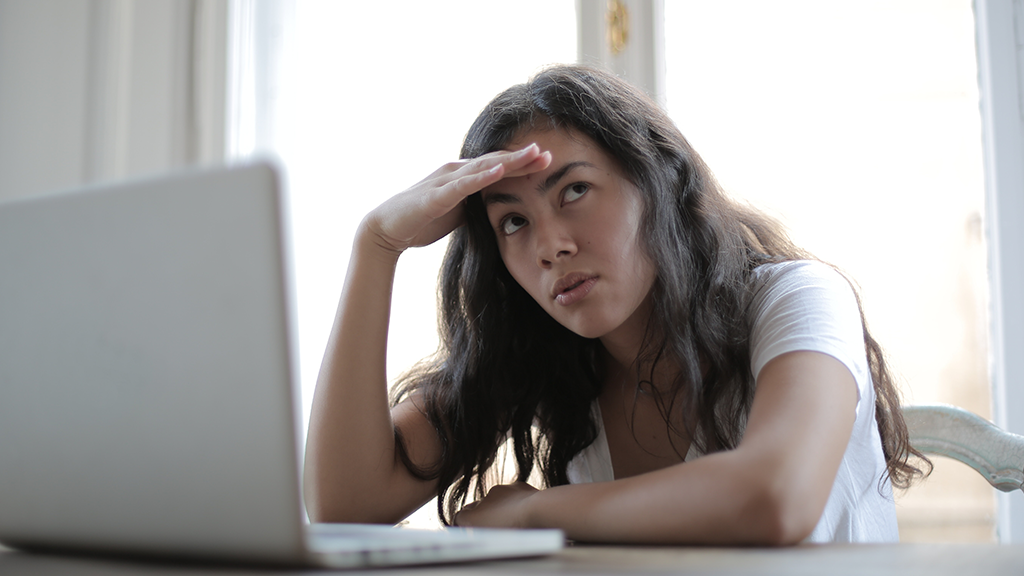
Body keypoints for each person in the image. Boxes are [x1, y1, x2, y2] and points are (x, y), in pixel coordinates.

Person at [302, 65, 928, 545]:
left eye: (574, 189)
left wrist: (532, 511)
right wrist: (376, 246)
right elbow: (345, 505)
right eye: (513, 222)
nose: (551, 245)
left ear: (658, 183)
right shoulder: (544, 354)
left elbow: (777, 497)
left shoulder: (797, 299)